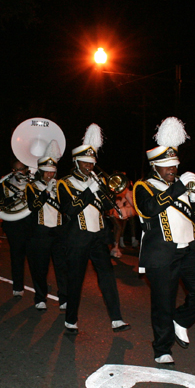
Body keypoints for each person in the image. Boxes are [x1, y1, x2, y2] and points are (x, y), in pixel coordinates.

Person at [133, 117, 195, 365]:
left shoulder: (179, 186)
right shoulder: (143, 186)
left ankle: (181, 320)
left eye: (174, 165)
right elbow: (148, 209)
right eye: (167, 166)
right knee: (163, 303)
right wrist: (179, 188)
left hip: (189, 249)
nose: (172, 170)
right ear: (155, 166)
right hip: (162, 253)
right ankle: (161, 349)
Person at [57, 124, 130, 334]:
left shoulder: (96, 181)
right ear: (76, 162)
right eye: (86, 162)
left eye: (92, 162)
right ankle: (71, 321)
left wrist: (106, 192)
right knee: (76, 280)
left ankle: (116, 319)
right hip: (77, 238)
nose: (90, 166)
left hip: (98, 237)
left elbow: (108, 207)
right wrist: (89, 192)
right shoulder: (65, 183)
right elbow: (69, 210)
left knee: (107, 277)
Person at [25, 140, 68, 310]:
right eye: (47, 173)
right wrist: (47, 192)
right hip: (40, 233)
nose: (50, 176)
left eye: (53, 172)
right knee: (40, 268)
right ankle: (40, 297)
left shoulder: (61, 186)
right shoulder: (32, 187)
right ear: (41, 172)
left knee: (62, 268)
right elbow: (33, 207)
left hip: (58, 232)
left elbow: (66, 208)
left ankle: (64, 298)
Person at [0, 159, 34, 295]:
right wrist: (15, 197)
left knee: (36, 258)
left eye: (21, 169)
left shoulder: (34, 183)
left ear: (27, 169)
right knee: (17, 257)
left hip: (32, 223)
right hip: (14, 225)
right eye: (15, 170)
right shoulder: (5, 184)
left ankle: (40, 288)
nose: (18, 172)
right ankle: (18, 287)